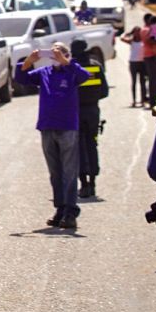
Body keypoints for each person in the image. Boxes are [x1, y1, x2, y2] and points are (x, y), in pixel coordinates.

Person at [16, 42, 89, 230]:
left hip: (67, 128)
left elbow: (83, 76)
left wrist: (66, 62)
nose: (57, 55)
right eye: (54, 52)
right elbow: (22, 78)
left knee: (69, 172)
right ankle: (60, 208)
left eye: (61, 52)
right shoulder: (45, 73)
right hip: (48, 127)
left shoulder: (72, 72)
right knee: (55, 172)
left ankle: (71, 211)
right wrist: (29, 61)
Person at [70, 38, 108, 198]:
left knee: (77, 148)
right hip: (93, 112)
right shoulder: (96, 66)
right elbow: (105, 92)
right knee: (92, 145)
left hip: (75, 113)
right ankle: (93, 182)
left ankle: (83, 183)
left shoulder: (71, 68)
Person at [121, 26, 147, 106]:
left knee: (143, 82)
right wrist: (128, 33)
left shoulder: (144, 41)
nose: (137, 33)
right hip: (133, 63)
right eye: (135, 32)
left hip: (142, 63)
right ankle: (134, 100)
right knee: (134, 82)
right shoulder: (131, 41)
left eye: (138, 32)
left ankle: (143, 100)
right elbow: (122, 38)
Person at [140, 13, 156, 110]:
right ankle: (154, 103)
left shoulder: (152, 29)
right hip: (151, 56)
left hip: (155, 56)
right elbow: (150, 41)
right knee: (154, 80)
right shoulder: (146, 30)